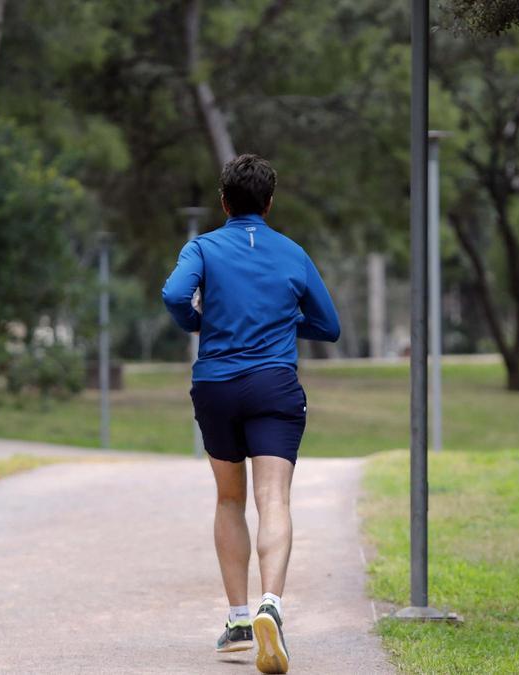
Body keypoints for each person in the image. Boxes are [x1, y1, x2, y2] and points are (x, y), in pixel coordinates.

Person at [161, 154, 340, 674]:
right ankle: (272, 608)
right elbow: (328, 326)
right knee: (273, 498)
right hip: (274, 387)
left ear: (223, 202)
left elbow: (174, 293)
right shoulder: (292, 252)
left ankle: (239, 620)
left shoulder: (203, 247)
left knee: (229, 498)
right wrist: (280, 322)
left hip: (216, 385)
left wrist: (198, 319)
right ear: (269, 202)